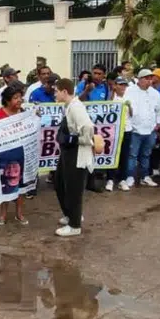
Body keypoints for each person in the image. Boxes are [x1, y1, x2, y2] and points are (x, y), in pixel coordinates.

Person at [53, 78, 103, 237]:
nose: (55, 93)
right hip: (67, 153)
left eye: (56, 91)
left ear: (64, 92)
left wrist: (79, 140)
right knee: (60, 182)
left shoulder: (76, 107)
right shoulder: (69, 106)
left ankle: (75, 225)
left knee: (73, 189)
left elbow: (88, 127)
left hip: (77, 153)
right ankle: (70, 214)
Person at [0, 85, 28, 226]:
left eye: (20, 97)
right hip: (4, 157)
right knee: (4, 185)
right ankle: (3, 215)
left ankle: (19, 213)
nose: (19, 100)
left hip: (21, 155)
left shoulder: (24, 113)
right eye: (15, 98)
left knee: (21, 186)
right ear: (7, 100)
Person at [121, 69, 160, 189]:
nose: (149, 81)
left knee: (146, 154)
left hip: (150, 130)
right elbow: (125, 109)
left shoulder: (155, 93)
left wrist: (158, 123)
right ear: (140, 79)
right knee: (132, 155)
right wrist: (129, 125)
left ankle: (144, 177)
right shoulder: (130, 91)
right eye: (146, 78)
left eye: (150, 78)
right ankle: (129, 177)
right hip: (134, 129)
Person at [105, 76, 131, 191]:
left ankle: (122, 180)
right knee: (112, 154)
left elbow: (132, 114)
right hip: (113, 131)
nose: (122, 87)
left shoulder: (129, 97)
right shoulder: (111, 97)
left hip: (126, 129)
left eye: (124, 85)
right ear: (115, 85)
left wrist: (129, 106)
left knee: (124, 155)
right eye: (120, 84)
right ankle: (110, 179)